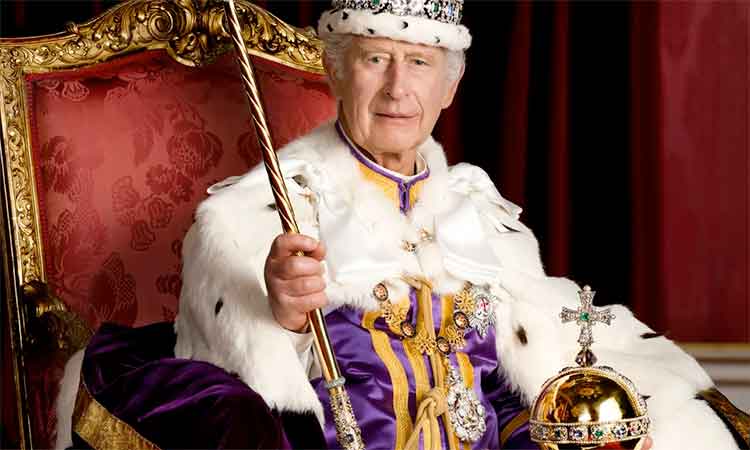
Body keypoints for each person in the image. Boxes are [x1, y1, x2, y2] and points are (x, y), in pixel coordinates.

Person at [55, 1, 746, 449]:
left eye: (419, 63)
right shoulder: (251, 216)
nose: (396, 88)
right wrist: (281, 312)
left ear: (448, 87)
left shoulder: (486, 220)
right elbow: (224, 380)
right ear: (335, 73)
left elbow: (520, 373)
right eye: (375, 59)